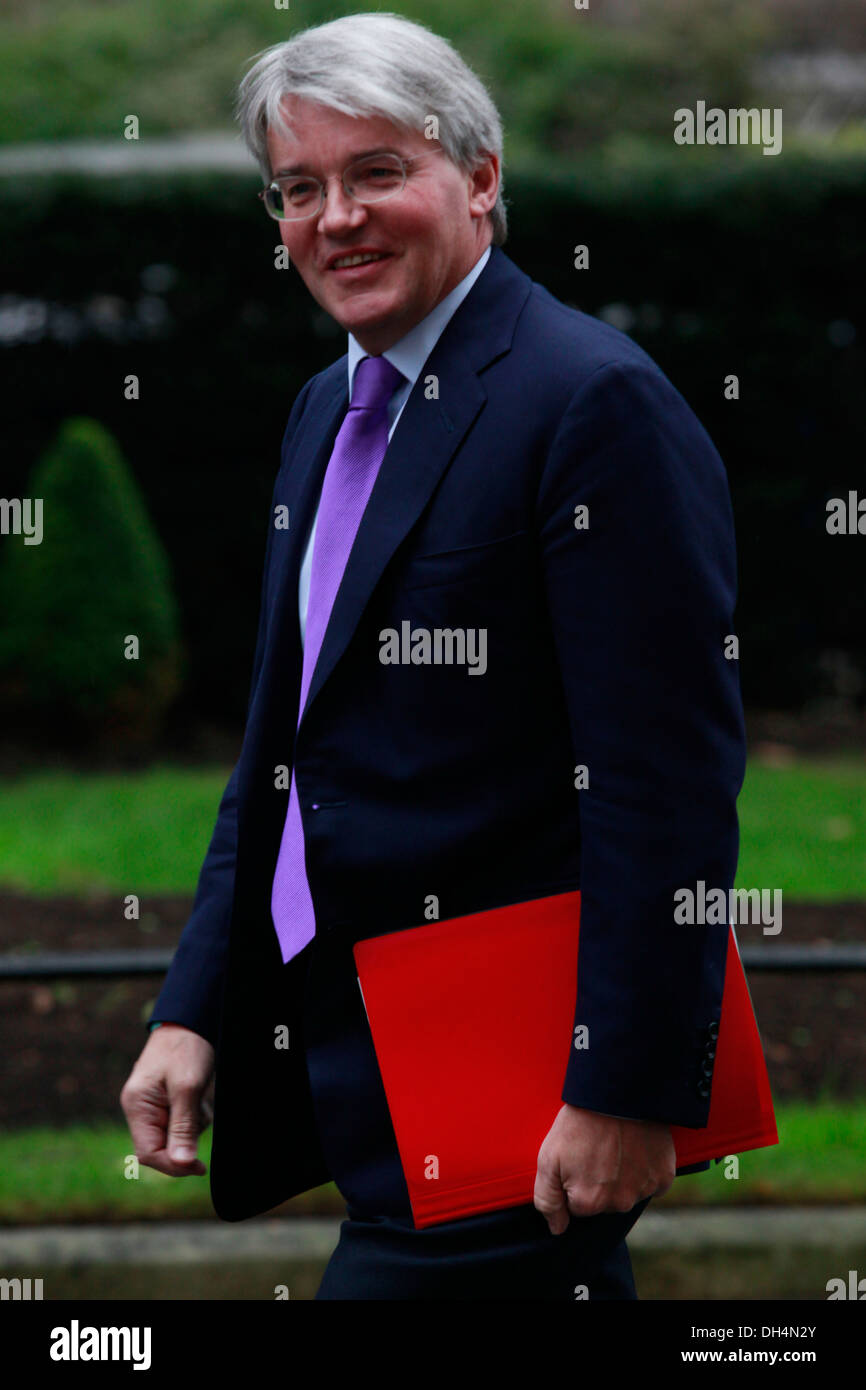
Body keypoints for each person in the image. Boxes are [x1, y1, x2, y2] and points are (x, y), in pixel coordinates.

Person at [121, 12, 747, 1300]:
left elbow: (663, 782)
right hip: (350, 1052)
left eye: (376, 172)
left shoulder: (591, 402)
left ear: (481, 177)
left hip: (508, 1070)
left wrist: (626, 1088)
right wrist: (196, 1003)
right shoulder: (323, 406)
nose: (334, 218)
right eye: (300, 188)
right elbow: (282, 744)